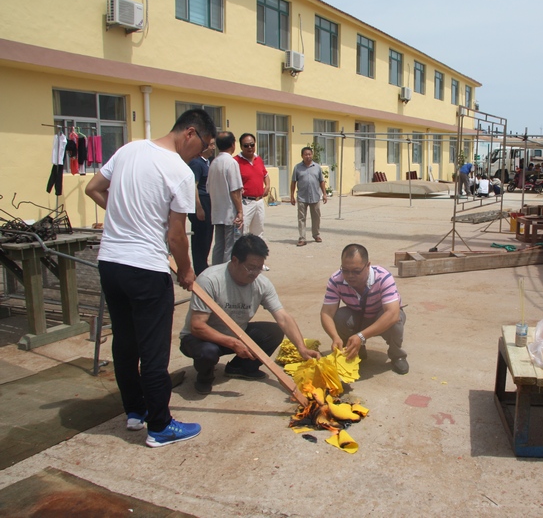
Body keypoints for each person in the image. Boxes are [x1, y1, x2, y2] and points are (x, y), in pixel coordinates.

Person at [85, 108, 215, 448]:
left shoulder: (129, 149)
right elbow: (177, 237)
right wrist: (187, 270)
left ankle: (135, 411)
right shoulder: (179, 172)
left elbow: (94, 188)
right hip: (145, 268)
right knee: (154, 349)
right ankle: (160, 426)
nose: (200, 154)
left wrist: (123, 217)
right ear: (190, 133)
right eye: (202, 147)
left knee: (125, 341)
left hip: (111, 264)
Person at [179, 235, 320, 394]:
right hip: (202, 338)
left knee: (274, 332)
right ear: (235, 261)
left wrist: (302, 348)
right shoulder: (210, 280)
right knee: (208, 352)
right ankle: (205, 376)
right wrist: (232, 343)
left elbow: (283, 318)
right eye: (250, 267)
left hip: (237, 334)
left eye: (259, 268)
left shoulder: (261, 284)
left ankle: (240, 367)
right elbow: (197, 326)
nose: (255, 273)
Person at [321, 244, 409, 375]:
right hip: (358, 317)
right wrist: (335, 337)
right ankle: (356, 350)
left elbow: (392, 313)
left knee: (396, 320)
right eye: (345, 270)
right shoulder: (336, 280)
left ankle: (397, 355)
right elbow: (326, 312)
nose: (350, 276)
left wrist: (361, 336)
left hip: (381, 318)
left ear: (367, 266)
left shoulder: (383, 277)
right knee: (339, 316)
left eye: (356, 271)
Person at [208, 131, 244, 265]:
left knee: (219, 246)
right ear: (233, 144)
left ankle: (215, 270)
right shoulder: (231, 162)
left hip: (217, 212)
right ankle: (226, 276)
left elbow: (208, 188)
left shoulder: (214, 163)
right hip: (230, 213)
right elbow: (234, 190)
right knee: (230, 246)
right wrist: (240, 211)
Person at [290, 146, 327, 247]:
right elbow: (293, 182)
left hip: (315, 196)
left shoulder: (317, 167)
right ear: (302, 156)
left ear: (312, 154)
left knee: (316, 217)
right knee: (301, 218)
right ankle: (302, 238)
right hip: (302, 197)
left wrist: (324, 194)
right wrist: (292, 196)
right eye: (305, 154)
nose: (308, 156)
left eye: (309, 154)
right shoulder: (297, 168)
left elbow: (321, 181)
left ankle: (316, 235)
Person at [234, 133, 269, 241]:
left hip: (259, 202)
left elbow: (265, 175)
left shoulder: (258, 159)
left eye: (252, 144)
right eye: (246, 145)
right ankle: (241, 256)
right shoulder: (235, 161)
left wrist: (267, 186)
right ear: (241, 147)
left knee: (258, 233)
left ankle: (256, 256)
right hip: (245, 202)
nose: (249, 147)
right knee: (242, 233)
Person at [188, 139, 215, 275]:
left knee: (207, 236)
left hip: (209, 201)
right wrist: (198, 207)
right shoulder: (196, 163)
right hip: (201, 201)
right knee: (200, 237)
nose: (213, 148)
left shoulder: (208, 163)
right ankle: (199, 268)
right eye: (211, 145)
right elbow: (193, 186)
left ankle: (203, 264)